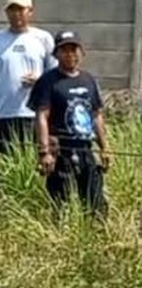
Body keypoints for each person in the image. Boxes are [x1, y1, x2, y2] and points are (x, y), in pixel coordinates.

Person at [29, 30, 110, 217]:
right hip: (60, 152)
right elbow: (42, 116)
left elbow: (96, 115)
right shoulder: (48, 81)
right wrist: (44, 152)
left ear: (81, 52)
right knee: (60, 207)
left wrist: (104, 147)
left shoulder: (88, 80)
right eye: (64, 50)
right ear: (56, 54)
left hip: (85, 149)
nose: (70, 54)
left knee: (95, 204)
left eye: (73, 50)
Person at [0, 0, 55, 154]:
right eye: (12, 10)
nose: (16, 15)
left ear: (30, 11)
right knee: (6, 167)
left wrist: (39, 81)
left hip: (35, 115)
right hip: (3, 114)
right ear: (6, 12)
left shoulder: (43, 38)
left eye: (21, 10)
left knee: (35, 163)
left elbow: (54, 78)